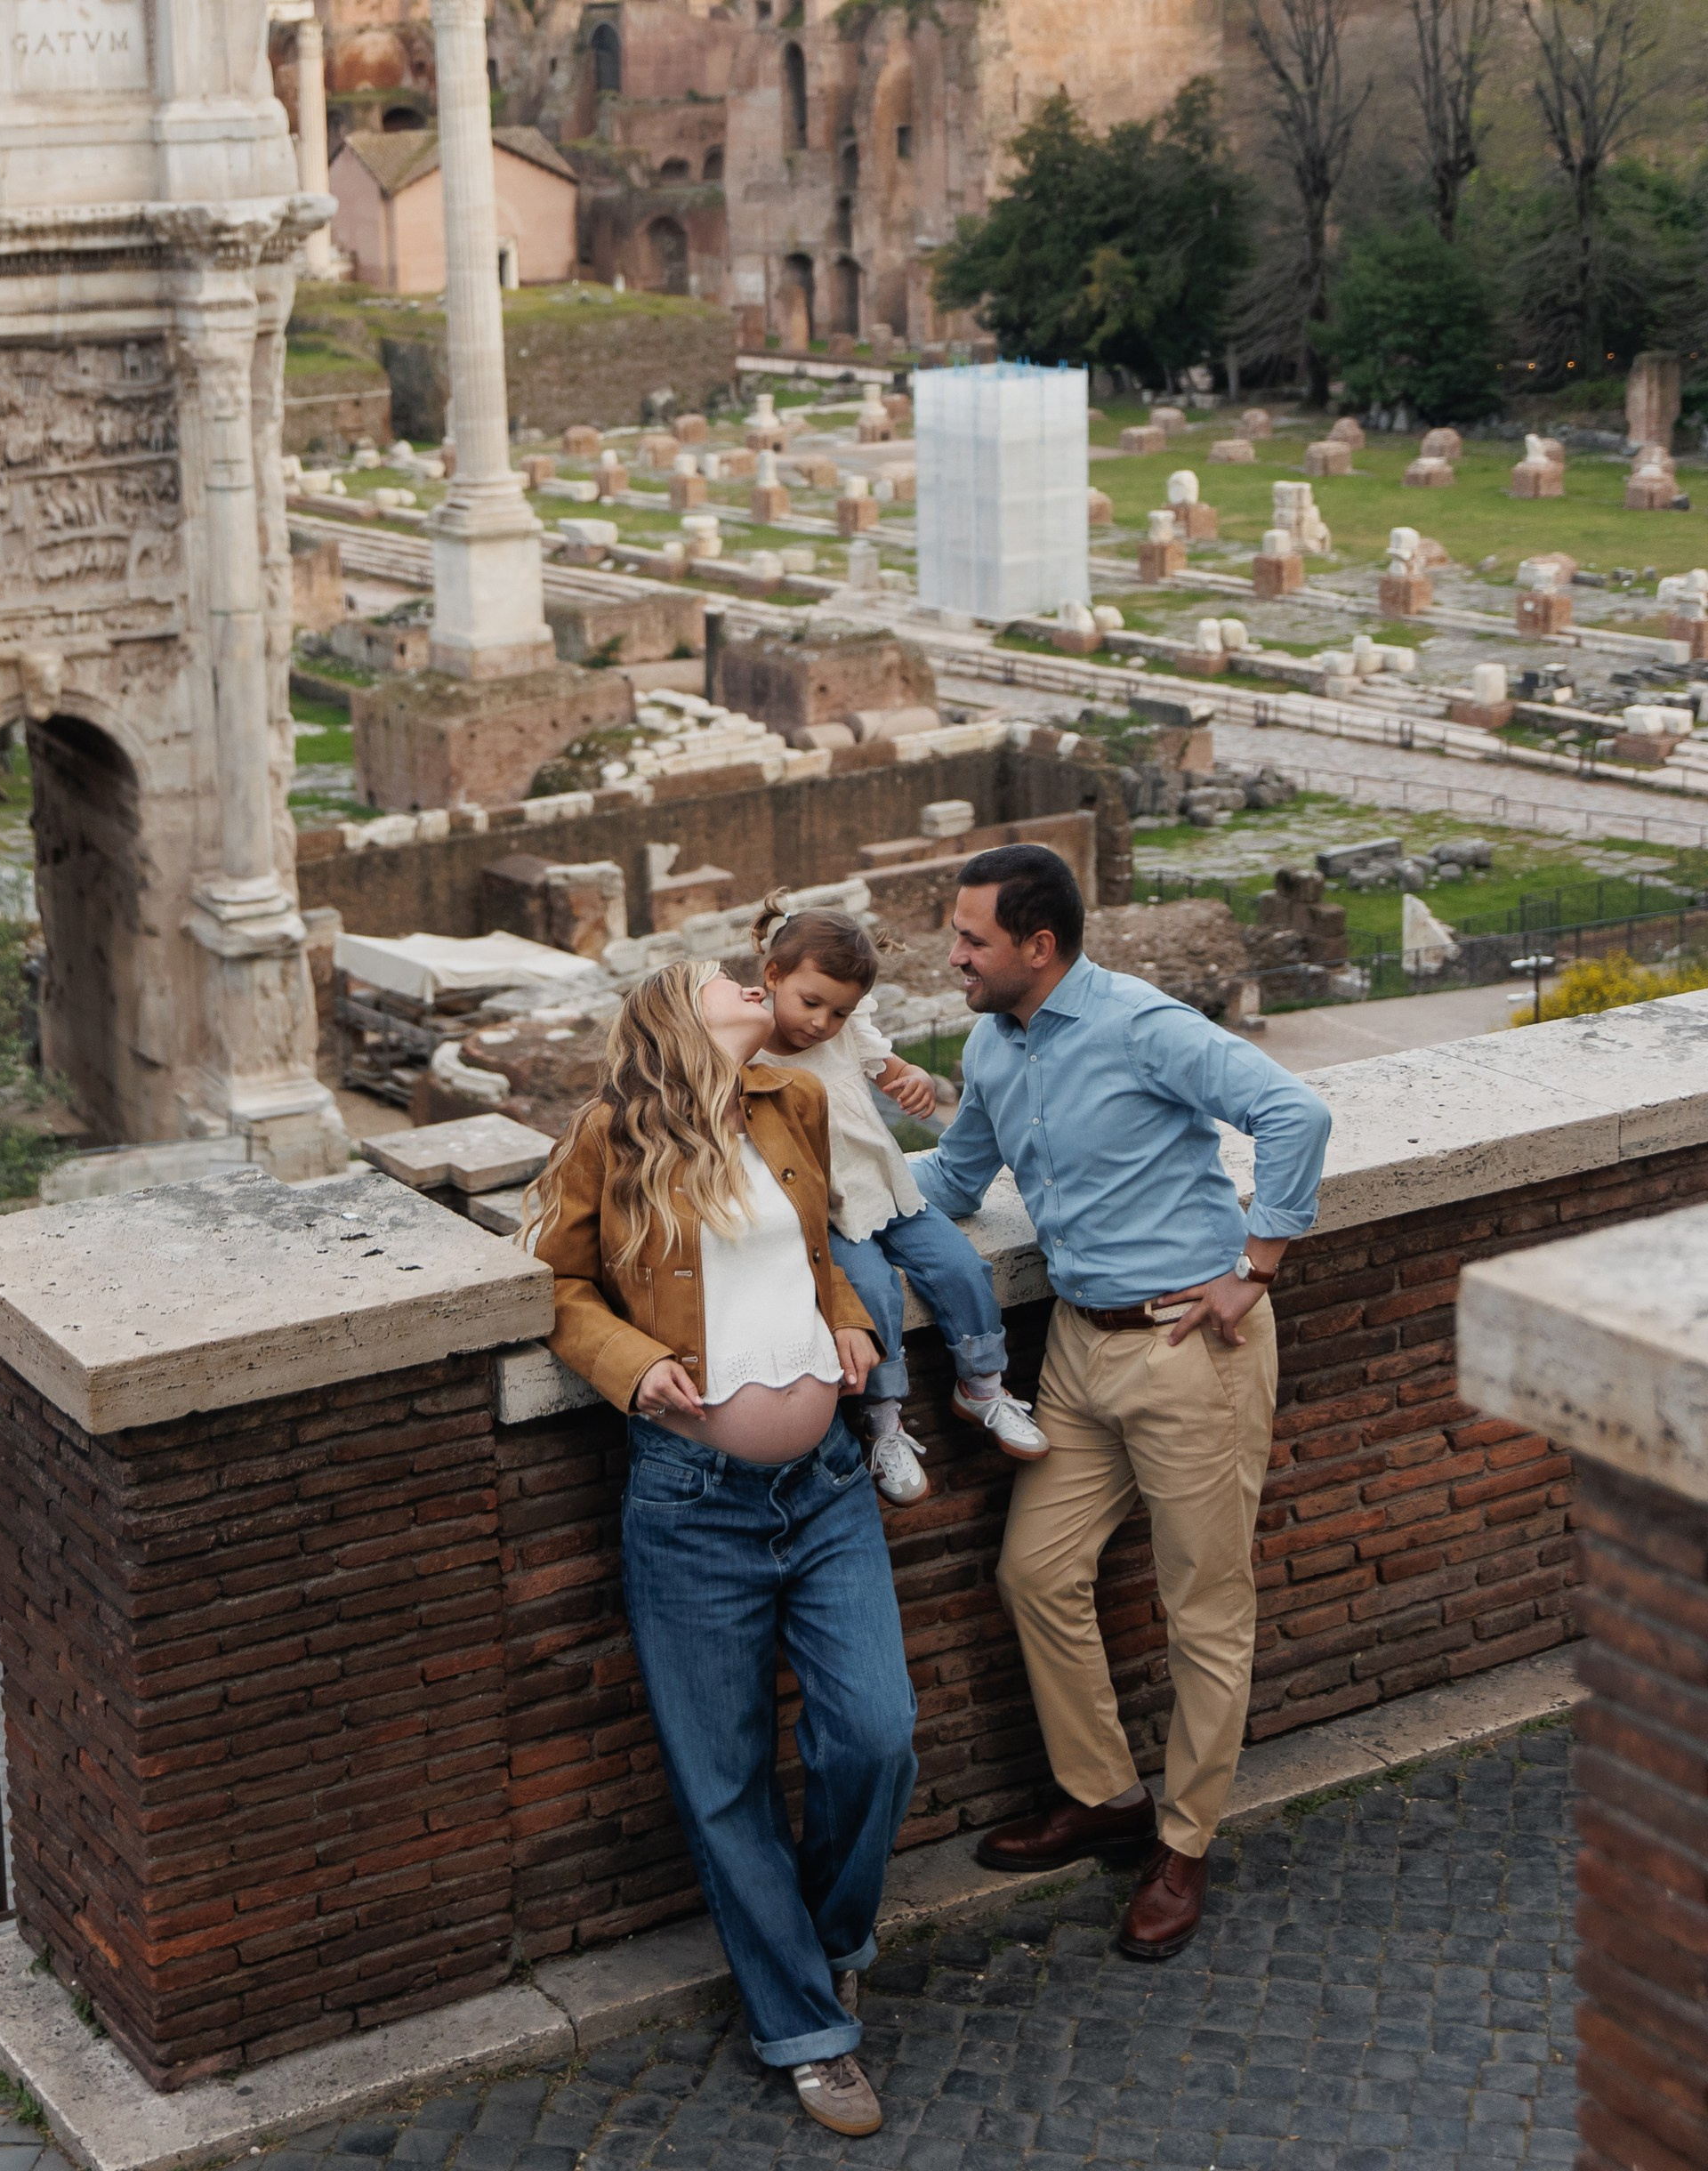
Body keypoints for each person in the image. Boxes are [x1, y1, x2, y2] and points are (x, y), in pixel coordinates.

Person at [911, 843, 1330, 1963]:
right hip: (1076, 1353)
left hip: (1193, 1351)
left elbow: (1295, 1112)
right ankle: (1103, 1798)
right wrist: (804, 1196)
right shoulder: (992, 1046)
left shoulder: (1141, 1025)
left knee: (1206, 1612)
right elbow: (953, 1182)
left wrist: (1257, 1267)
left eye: (972, 941)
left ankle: (1184, 1845)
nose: (954, 958)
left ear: (1038, 946)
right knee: (1034, 1572)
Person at [525, 958, 918, 2137]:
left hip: (828, 1485)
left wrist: (846, 1321)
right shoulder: (608, 1138)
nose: (754, 982)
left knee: (877, 1733)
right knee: (725, 1779)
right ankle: (807, 2029)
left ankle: (825, 1943)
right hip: (693, 1505)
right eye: (724, 979)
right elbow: (557, 1283)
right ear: (671, 1016)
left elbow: (816, 1252)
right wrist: (631, 1362)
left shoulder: (792, 1102)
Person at [751, 892, 1049, 1503]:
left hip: (888, 1188)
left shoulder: (846, 1034)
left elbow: (892, 1070)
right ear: (773, 975)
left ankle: (982, 1384)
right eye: (811, 1003)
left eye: (839, 1012)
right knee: (874, 1292)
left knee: (962, 1266)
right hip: (828, 1213)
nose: (822, 1023)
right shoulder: (747, 1051)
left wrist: (912, 1079)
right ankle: (883, 1421)